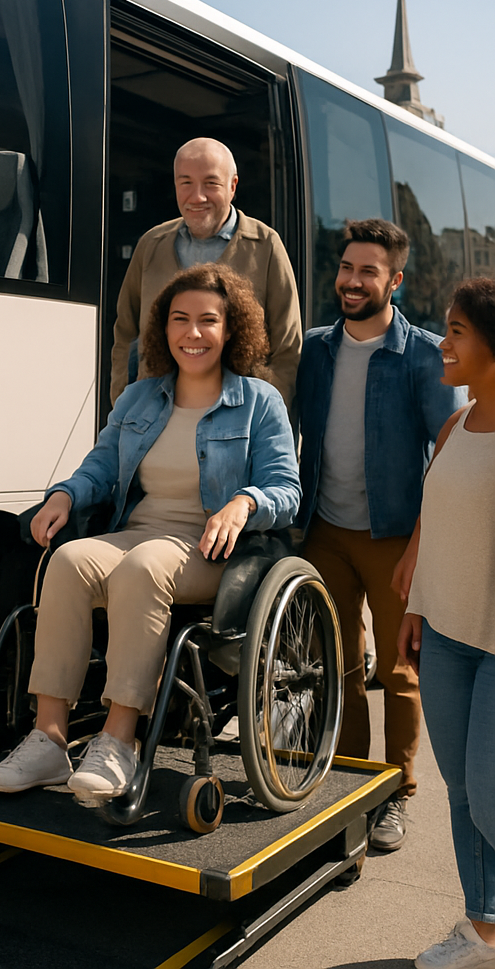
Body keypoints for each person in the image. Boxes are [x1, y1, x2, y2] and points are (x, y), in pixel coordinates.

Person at [0, 264, 300, 800]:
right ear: (163, 328)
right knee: (69, 559)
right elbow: (100, 466)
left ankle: (118, 741)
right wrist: (64, 494)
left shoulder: (259, 402)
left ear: (230, 329)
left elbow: (286, 490)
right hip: (138, 535)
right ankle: (49, 739)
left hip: (211, 550)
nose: (192, 333)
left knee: (144, 565)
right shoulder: (140, 397)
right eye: (180, 319)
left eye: (207, 321)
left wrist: (244, 502)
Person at [294, 218, 466, 853]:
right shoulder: (315, 349)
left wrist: (424, 547)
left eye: (369, 271)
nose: (353, 280)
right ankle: (347, 780)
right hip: (325, 532)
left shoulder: (423, 354)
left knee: (398, 672)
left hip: (394, 536)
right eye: (346, 268)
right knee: (336, 666)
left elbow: (449, 455)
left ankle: (397, 792)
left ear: (394, 280)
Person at [395, 279, 495, 969]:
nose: (444, 341)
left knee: (489, 793)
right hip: (448, 636)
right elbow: (436, 518)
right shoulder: (455, 425)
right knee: (460, 790)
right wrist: (415, 602)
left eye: (457, 329)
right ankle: (482, 929)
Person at [110, 137, 302, 407]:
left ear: (233, 185)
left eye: (211, 183)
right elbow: (125, 333)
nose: (197, 196)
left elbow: (287, 348)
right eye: (185, 182)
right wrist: (124, 403)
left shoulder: (266, 246)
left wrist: (264, 419)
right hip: (156, 417)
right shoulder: (151, 245)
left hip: (236, 427)